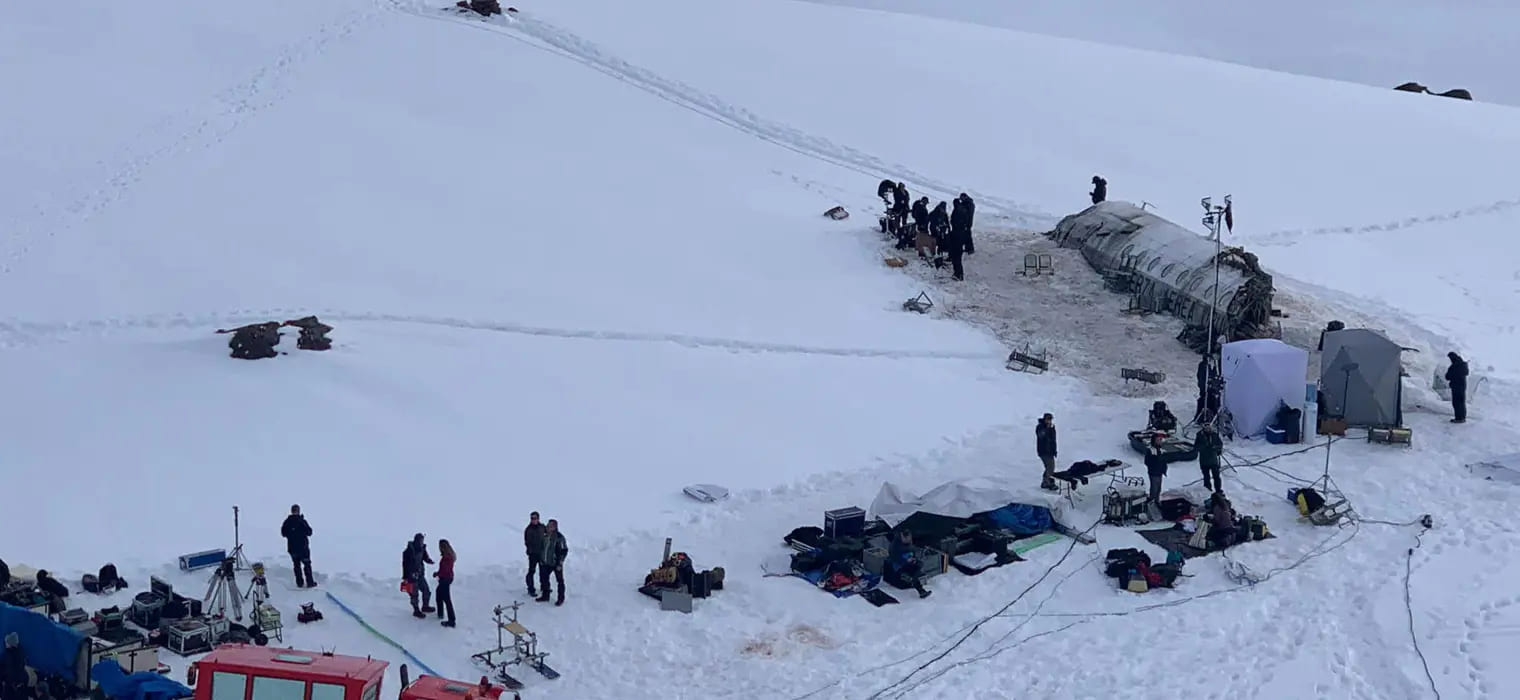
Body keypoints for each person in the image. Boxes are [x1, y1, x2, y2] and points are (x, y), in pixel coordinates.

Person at [886, 530, 931, 598]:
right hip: (899, 565)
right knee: (913, 571)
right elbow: (894, 558)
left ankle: (914, 581)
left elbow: (912, 551)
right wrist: (906, 560)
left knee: (919, 564)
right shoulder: (894, 546)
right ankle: (917, 586)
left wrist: (913, 558)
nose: (909, 540)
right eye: (907, 539)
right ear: (902, 536)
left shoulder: (909, 542)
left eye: (909, 538)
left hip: (909, 561)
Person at [282, 505, 315, 588]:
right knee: (307, 564)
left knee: (296, 565)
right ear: (298, 511)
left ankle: (299, 583)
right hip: (303, 548)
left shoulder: (287, 522)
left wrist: (292, 533)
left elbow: (283, 533)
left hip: (292, 548)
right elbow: (309, 532)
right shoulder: (302, 521)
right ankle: (310, 582)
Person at [402, 534, 435, 618]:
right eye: (420, 540)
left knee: (426, 590)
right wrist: (405, 577)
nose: (421, 542)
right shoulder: (408, 551)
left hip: (420, 574)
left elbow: (424, 557)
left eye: (422, 540)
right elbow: (405, 564)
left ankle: (425, 606)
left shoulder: (422, 548)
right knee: (414, 594)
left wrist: (429, 560)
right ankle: (416, 610)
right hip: (411, 576)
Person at [537, 519, 569, 606]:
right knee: (544, 579)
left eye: (551, 526)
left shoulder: (559, 538)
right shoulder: (545, 535)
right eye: (548, 525)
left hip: (556, 563)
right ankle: (545, 595)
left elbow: (564, 551)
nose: (548, 527)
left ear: (555, 527)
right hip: (545, 562)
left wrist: (560, 563)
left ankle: (560, 599)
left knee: (560, 581)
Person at [433, 539, 456, 627]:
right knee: (439, 594)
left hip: (445, 580)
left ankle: (451, 620)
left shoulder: (447, 558)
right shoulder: (448, 556)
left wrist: (437, 574)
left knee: (446, 599)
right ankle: (440, 613)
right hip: (446, 578)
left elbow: (445, 570)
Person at [1195, 423, 1224, 492]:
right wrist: (1204, 446)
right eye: (1206, 427)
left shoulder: (1214, 435)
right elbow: (1196, 447)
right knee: (1206, 477)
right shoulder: (1199, 435)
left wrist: (1216, 449)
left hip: (1213, 460)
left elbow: (1220, 444)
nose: (1208, 429)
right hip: (1204, 461)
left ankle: (1218, 490)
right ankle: (1207, 490)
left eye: (1209, 427)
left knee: (1216, 476)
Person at [524, 511, 546, 597]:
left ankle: (544, 587)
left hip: (541, 554)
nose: (533, 520)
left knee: (543, 572)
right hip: (533, 554)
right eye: (532, 518)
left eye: (535, 518)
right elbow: (526, 542)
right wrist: (530, 550)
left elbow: (548, 534)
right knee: (531, 571)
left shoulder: (542, 527)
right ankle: (530, 589)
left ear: (538, 519)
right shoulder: (528, 529)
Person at [1036, 413, 1058, 491]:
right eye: (1048, 419)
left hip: (1050, 451)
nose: (1049, 421)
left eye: (1050, 419)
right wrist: (1047, 429)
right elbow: (1041, 436)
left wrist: (1054, 450)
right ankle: (1047, 482)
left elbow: (1053, 440)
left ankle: (1046, 482)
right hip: (1044, 451)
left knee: (1050, 467)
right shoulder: (1040, 427)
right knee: (1050, 467)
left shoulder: (1051, 427)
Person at [1144, 433, 1168, 504]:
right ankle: (1152, 499)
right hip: (1153, 472)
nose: (1159, 441)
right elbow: (1147, 461)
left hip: (1159, 472)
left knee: (1158, 488)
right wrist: (1154, 463)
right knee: (1154, 488)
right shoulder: (1151, 450)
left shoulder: (1161, 450)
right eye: (1158, 440)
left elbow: (1164, 461)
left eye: (1160, 440)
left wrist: (1164, 469)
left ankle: (1156, 500)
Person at [1446, 351, 1468, 423]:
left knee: (1456, 403)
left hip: (1456, 387)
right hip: (1462, 386)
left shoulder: (1454, 366)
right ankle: (1462, 417)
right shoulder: (1463, 365)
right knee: (1461, 402)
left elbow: (1447, 376)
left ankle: (1459, 418)